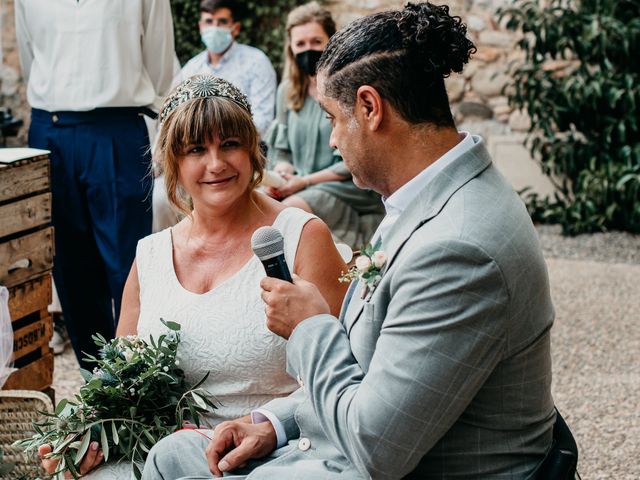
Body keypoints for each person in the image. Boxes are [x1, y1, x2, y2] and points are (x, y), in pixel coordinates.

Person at [142, 2, 557, 479]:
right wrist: (272, 422)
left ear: (369, 107)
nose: (333, 140)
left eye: (333, 117)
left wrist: (310, 326)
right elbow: (372, 365)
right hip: (345, 441)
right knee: (173, 456)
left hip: (404, 465)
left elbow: (377, 448)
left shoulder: (459, 248)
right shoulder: (423, 199)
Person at [38, 75, 349, 479]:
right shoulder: (149, 256)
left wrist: (269, 426)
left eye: (230, 145)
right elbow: (118, 381)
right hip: (159, 451)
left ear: (254, 151)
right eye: (196, 149)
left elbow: (344, 373)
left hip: (277, 454)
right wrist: (79, 437)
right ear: (173, 163)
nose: (216, 164)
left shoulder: (300, 236)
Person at [15, 0, 176, 369]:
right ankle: (97, 378)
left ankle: (139, 374)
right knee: (68, 264)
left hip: (116, 128)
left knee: (128, 261)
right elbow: (31, 59)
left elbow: (160, 66)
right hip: (50, 130)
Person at [265, 1, 385, 249]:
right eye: (300, 44)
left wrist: (304, 182)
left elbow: (350, 162)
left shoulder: (346, 89)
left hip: (345, 185)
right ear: (291, 48)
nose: (308, 49)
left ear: (330, 42)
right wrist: (284, 173)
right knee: (259, 201)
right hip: (298, 183)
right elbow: (282, 150)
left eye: (315, 42)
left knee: (289, 209)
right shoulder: (286, 92)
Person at [176, 0, 277, 137]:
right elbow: (180, 117)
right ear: (200, 27)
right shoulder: (191, 69)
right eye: (209, 21)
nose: (215, 27)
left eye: (222, 22)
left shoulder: (257, 62)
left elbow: (262, 122)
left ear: (235, 28)